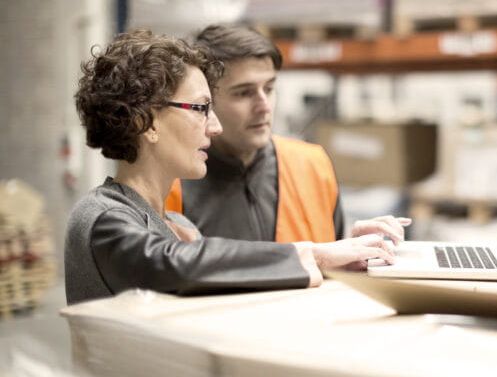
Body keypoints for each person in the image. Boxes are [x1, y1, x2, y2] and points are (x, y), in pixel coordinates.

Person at [64, 30, 395, 305]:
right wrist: (316, 256)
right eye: (200, 108)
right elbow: (171, 265)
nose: (215, 126)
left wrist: (341, 261)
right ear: (145, 122)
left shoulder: (177, 224)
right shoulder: (102, 217)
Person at [164, 23, 409, 245]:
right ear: (206, 101)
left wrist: (351, 248)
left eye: (269, 89)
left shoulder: (311, 165)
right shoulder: (172, 184)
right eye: (244, 93)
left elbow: (329, 268)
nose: (264, 106)